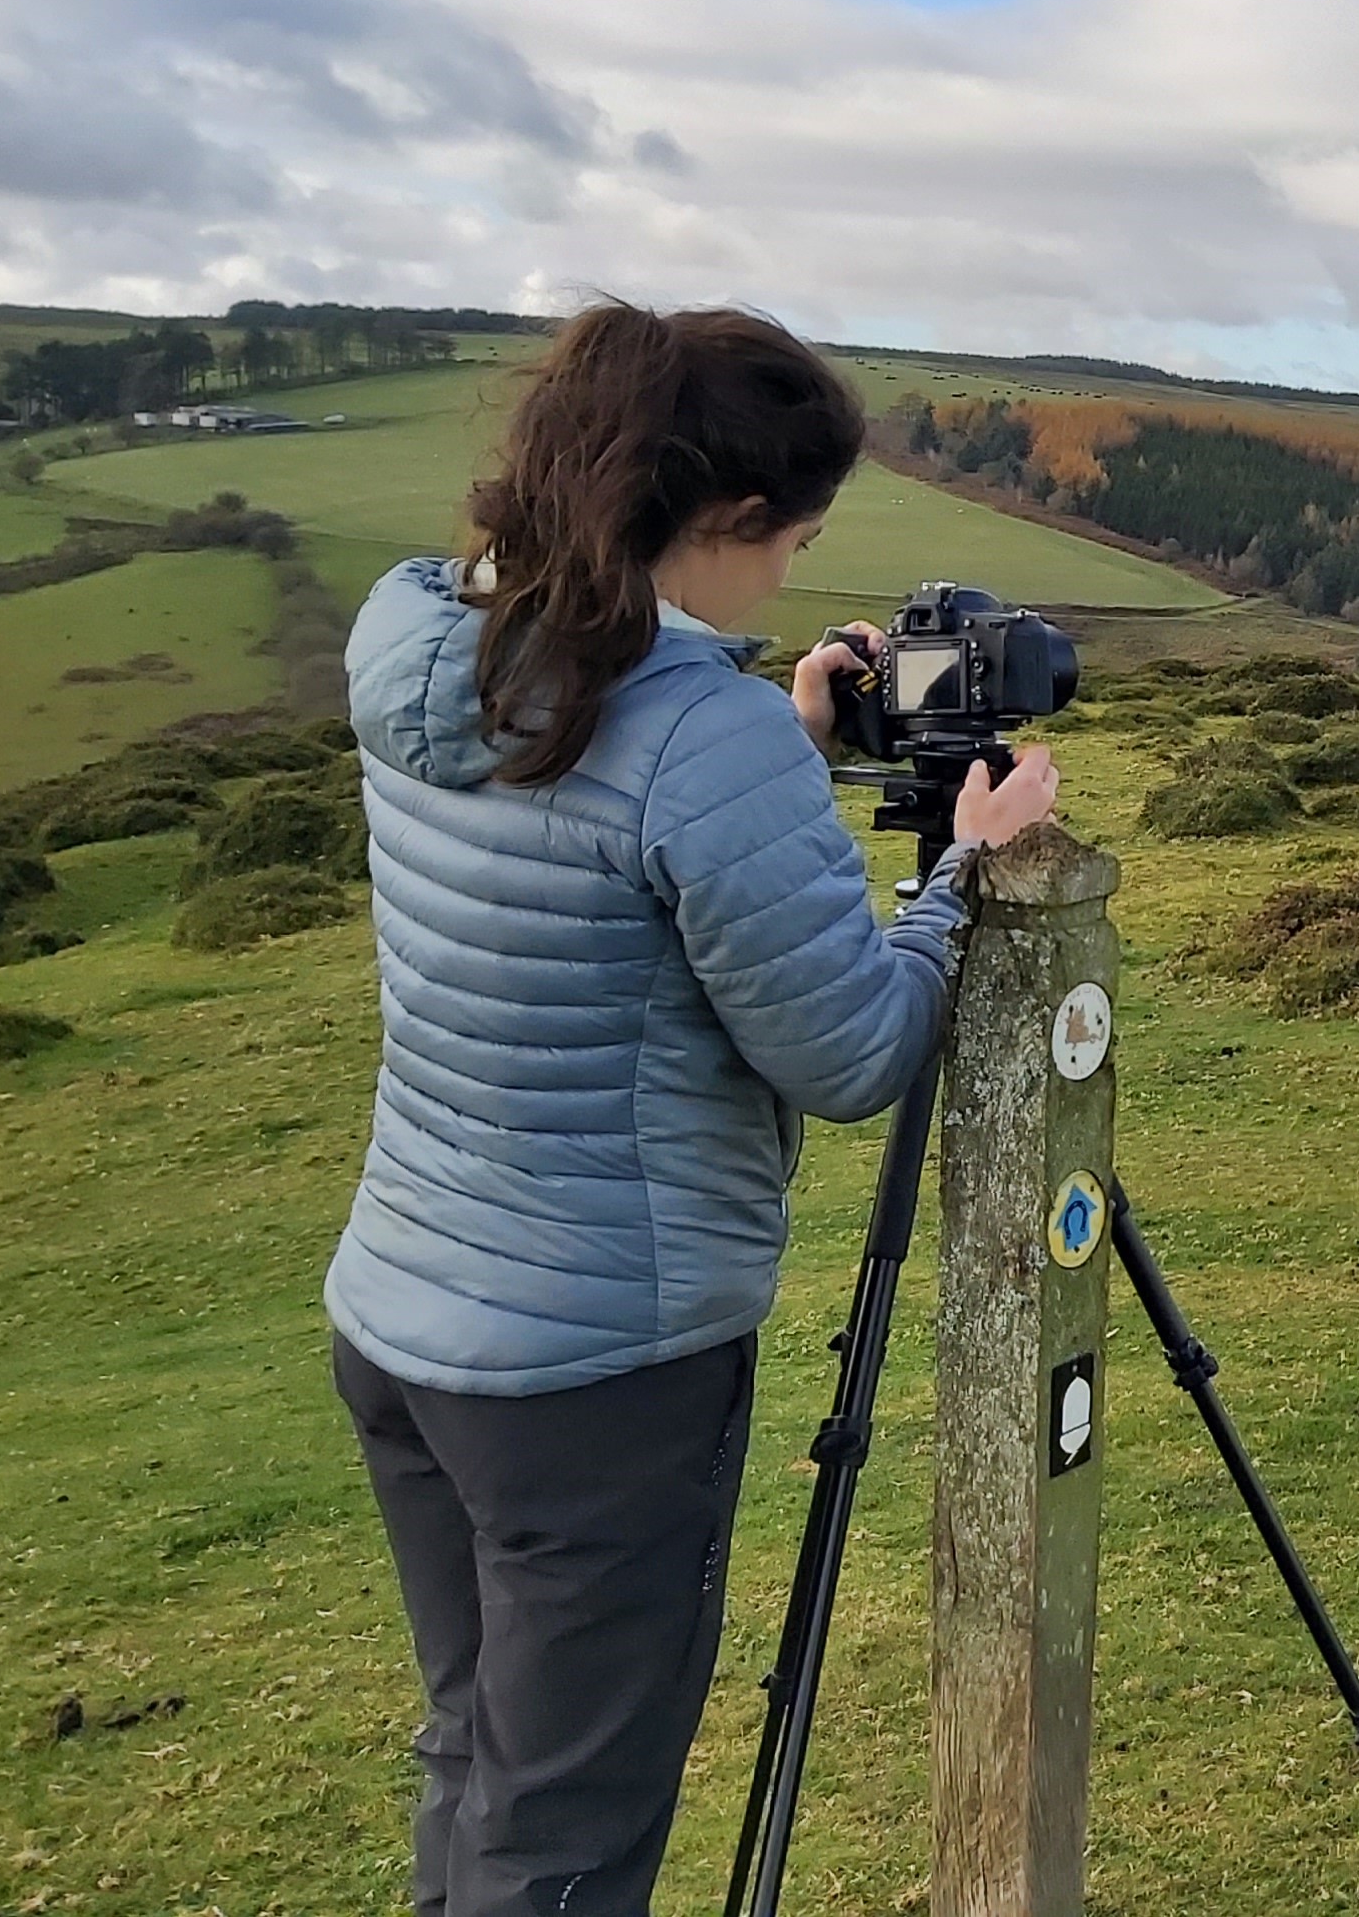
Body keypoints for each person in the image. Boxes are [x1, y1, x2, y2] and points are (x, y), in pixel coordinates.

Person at [322, 303, 1059, 1916]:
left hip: (402, 1318)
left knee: (481, 1758)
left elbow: (590, 833)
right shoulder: (694, 740)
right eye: (795, 535)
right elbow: (858, 1056)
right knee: (568, 1836)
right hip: (595, 1379)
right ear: (724, 518)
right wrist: (961, 875)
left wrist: (775, 734)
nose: (795, 571)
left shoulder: (423, 642)